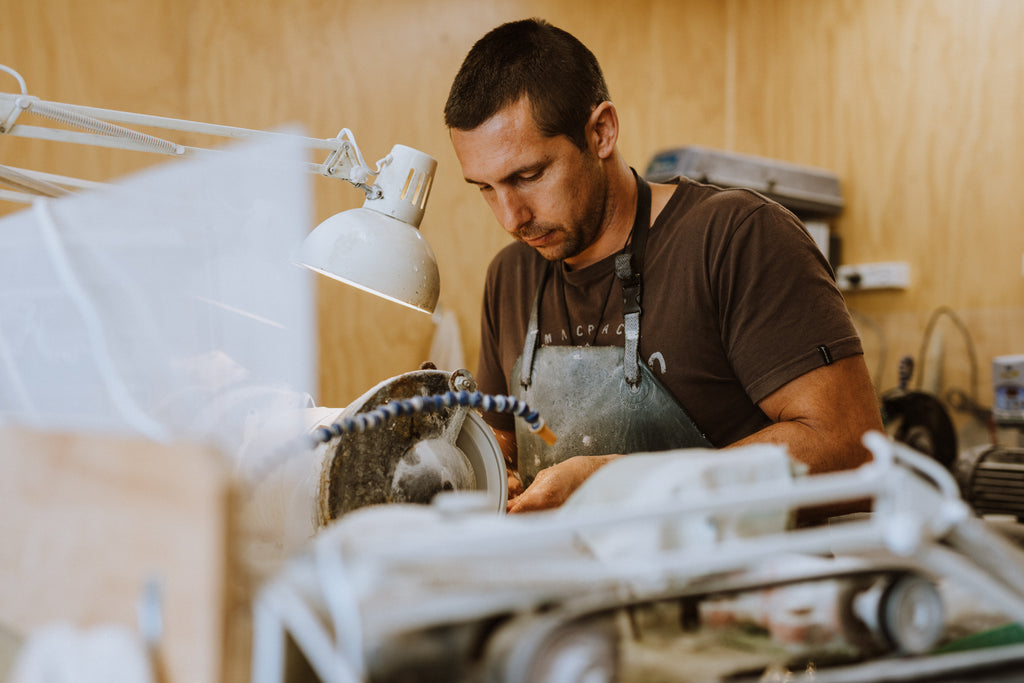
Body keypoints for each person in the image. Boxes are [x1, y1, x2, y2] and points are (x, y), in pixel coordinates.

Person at [443, 18, 883, 515]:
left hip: (742, 587)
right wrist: (487, 466)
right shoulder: (510, 276)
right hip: (575, 587)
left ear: (602, 132)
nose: (510, 218)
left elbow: (851, 451)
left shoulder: (735, 239)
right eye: (485, 188)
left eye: (528, 175)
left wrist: (627, 485)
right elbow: (501, 437)